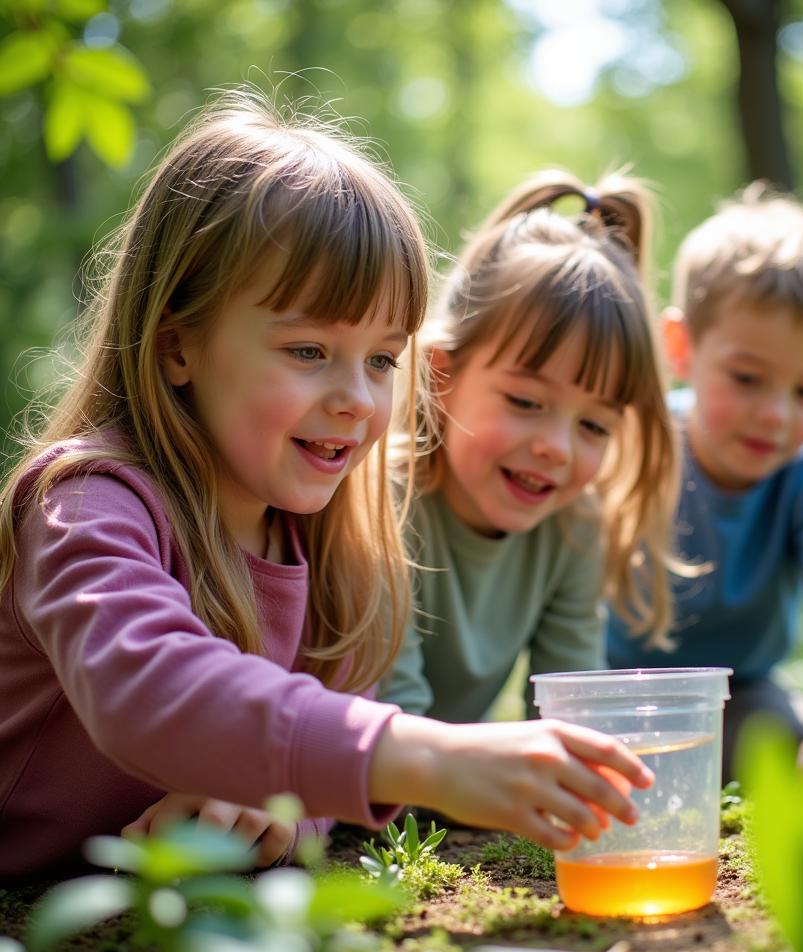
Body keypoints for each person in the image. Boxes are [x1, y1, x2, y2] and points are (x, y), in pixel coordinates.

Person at [0, 93, 654, 878]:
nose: (358, 397)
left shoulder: (335, 540)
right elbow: (147, 685)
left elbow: (318, 792)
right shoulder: (85, 505)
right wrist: (428, 757)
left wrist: (273, 809)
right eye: (309, 350)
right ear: (177, 347)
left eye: (382, 359)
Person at [606, 184, 803, 780]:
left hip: (741, 697)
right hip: (609, 693)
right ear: (682, 348)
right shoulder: (631, 444)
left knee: (783, 748)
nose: (777, 413)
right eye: (748, 378)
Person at [379, 171, 682, 724]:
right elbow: (395, 729)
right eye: (525, 401)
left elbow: (575, 717)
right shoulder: (381, 504)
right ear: (439, 376)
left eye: (594, 426)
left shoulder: (572, 527)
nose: (557, 449)